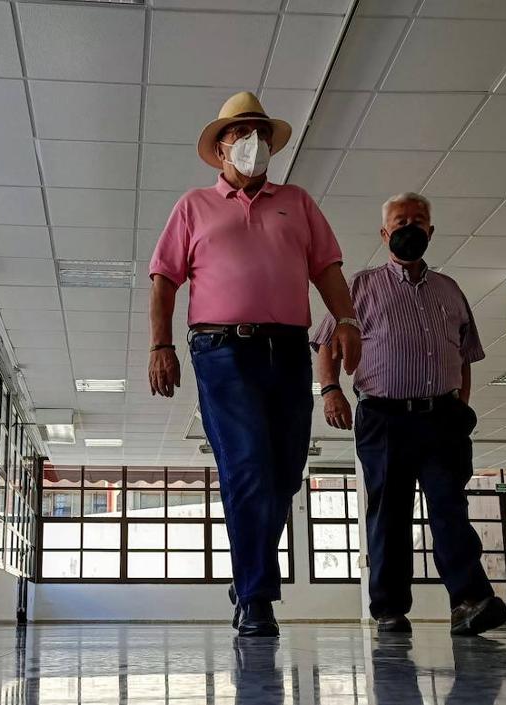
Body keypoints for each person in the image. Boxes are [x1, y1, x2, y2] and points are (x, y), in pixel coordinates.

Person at [148, 92, 361, 637]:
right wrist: (160, 346)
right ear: (220, 148)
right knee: (246, 466)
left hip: (289, 349)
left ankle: (247, 574)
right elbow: (164, 280)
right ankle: (259, 598)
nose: (252, 143)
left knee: (285, 472)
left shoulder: (298, 202)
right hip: (222, 351)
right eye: (240, 133)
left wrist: (347, 320)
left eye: (260, 133)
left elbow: (328, 268)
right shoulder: (193, 206)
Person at [312, 192, 506, 637]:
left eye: (418, 221)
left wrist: (461, 405)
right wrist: (330, 392)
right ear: (384, 233)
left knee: (449, 507)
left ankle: (470, 600)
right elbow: (325, 343)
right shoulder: (359, 287)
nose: (409, 228)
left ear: (430, 232)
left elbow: (464, 355)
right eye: (400, 221)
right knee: (390, 513)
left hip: (442, 418)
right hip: (383, 418)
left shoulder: (450, 291)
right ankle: (388, 610)